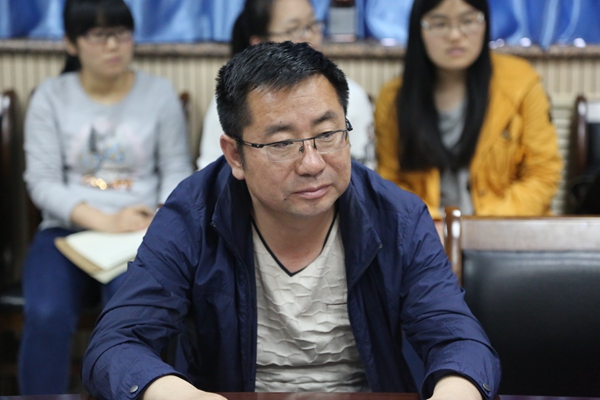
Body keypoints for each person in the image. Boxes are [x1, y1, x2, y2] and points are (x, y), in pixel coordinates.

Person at [83, 41, 500, 400]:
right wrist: (178, 394)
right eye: (283, 143)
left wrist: (455, 390)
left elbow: (459, 340)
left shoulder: (397, 216)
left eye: (328, 134)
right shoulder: (193, 214)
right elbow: (116, 344)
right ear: (235, 155)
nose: (313, 163)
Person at [20, 0, 192, 394]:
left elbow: (177, 172)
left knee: (134, 319)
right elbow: (42, 182)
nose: (113, 45)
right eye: (99, 35)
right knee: (45, 312)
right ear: (71, 42)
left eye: (121, 33)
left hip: (141, 235)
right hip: (65, 234)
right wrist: (107, 221)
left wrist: (159, 218)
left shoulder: (159, 93)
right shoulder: (50, 96)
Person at [375, 0, 563, 219]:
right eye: (440, 24)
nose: (455, 35)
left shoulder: (522, 84)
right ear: (419, 29)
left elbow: (543, 174)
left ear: (485, 23)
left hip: (505, 228)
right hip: (425, 232)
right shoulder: (393, 98)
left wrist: (483, 226)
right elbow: (390, 182)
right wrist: (432, 226)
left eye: (467, 21)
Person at [196, 0, 375, 170]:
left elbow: (363, 170)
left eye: (313, 25)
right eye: (294, 29)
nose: (309, 37)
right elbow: (211, 173)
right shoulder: (235, 102)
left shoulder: (351, 95)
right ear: (259, 43)